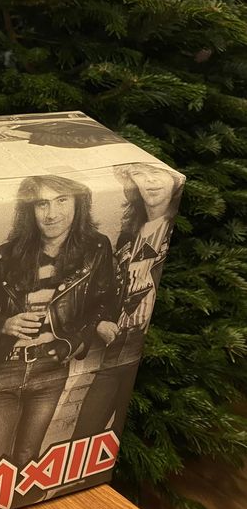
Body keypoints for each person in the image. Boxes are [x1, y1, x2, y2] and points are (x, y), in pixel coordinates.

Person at [0, 174, 116, 473]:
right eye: (42, 204)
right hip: (6, 367)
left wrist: (81, 337)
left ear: (78, 203)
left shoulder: (96, 248)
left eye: (61, 200)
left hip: (51, 367)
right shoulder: (4, 256)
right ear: (30, 209)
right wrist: (3, 324)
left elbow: (104, 300)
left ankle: (22, 502)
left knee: (28, 456)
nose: (52, 213)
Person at [72, 162, 185, 440]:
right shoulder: (128, 236)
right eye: (139, 175)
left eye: (157, 173)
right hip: (117, 343)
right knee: (83, 434)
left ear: (174, 181)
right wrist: (100, 322)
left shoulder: (177, 228)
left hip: (149, 347)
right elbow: (108, 290)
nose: (149, 181)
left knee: (128, 432)